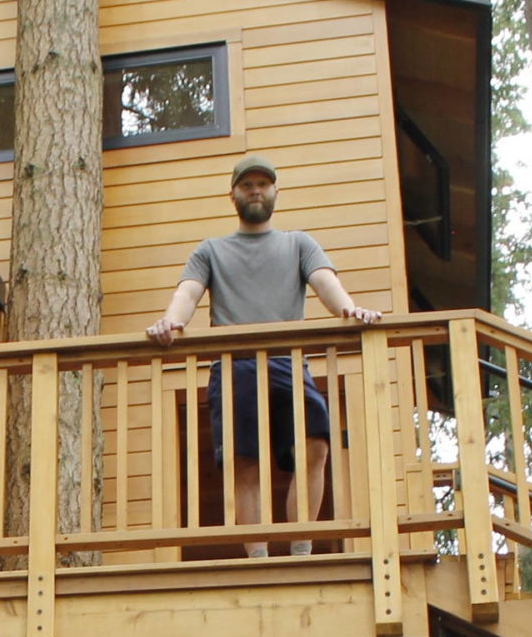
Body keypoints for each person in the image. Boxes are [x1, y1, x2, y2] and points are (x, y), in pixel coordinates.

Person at [145, 156, 381, 554]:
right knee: (244, 460)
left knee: (316, 442)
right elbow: (187, 293)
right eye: (247, 185)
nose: (255, 190)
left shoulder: (298, 243)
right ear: (233, 195)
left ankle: (301, 549)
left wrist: (349, 310)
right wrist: (171, 322)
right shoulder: (211, 251)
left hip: (288, 362)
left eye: (263, 184)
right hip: (233, 363)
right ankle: (258, 556)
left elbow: (325, 283)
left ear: (275, 192)